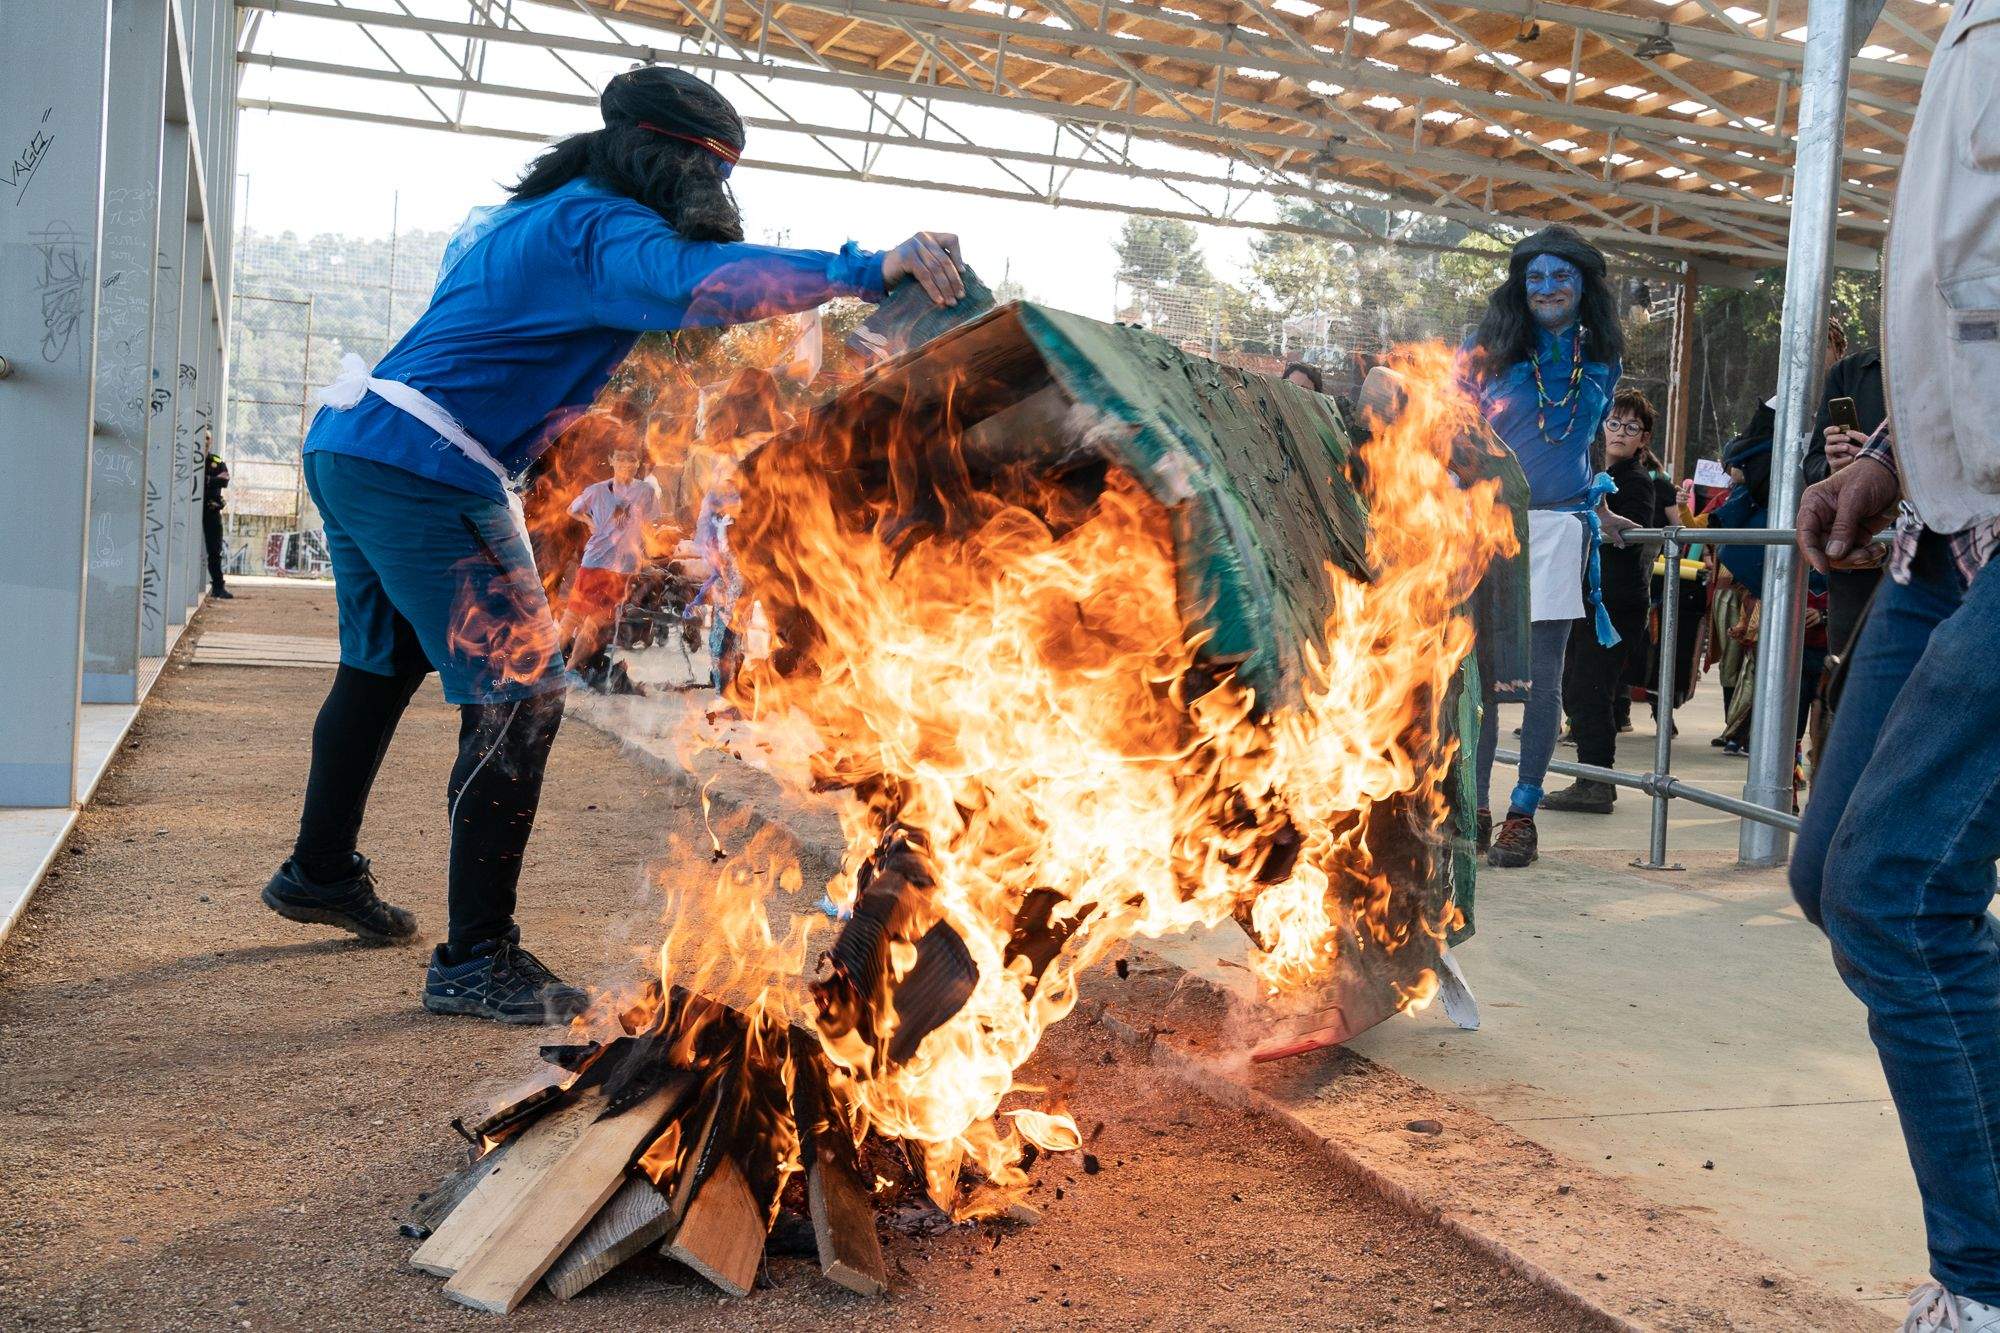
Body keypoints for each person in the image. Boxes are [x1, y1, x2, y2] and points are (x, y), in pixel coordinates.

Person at [258, 65, 966, 1025]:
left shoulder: (536, 217)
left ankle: (320, 870)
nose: (714, 195)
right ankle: (475, 959)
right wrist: (863, 268)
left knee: (377, 670)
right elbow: (702, 285)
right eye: (706, 173)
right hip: (426, 462)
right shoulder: (597, 226)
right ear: (657, 155)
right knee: (524, 696)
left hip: (357, 441)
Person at [1791, 7, 2000, 1328]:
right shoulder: (1964, 24)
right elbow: (1959, 281)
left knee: (1888, 888)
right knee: (1843, 877)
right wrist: (1885, 452)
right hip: (1943, 514)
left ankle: (1981, 1281)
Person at [1459, 225, 1628, 867]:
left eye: (1560, 276)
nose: (1547, 288)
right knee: (1477, 673)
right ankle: (1472, 805)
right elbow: (1448, 426)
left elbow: (1588, 444)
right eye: (1534, 277)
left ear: (1583, 284)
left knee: (1540, 680)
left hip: (1560, 529)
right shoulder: (1488, 347)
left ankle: (1522, 813)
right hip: (1485, 525)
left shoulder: (1603, 357)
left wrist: (1602, 508)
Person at [1544, 390, 1671, 812]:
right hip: (1590, 600)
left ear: (1643, 439)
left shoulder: (1635, 481)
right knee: (1577, 686)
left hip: (1612, 605)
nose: (1619, 433)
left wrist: (1594, 518)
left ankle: (1597, 782)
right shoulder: (1594, 476)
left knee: (1590, 688)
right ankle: (1594, 778)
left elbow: (1627, 535)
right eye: (1613, 424)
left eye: (1630, 427)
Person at [1805, 340, 1889, 668]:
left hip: (1934, 555)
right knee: (1850, 680)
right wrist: (1834, 465)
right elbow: (1812, 465)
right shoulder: (1849, 372)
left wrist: (1881, 463)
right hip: (1857, 563)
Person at [560, 446, 662, 683]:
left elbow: (649, 522)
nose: (626, 465)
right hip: (595, 561)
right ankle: (550, 668)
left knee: (597, 621)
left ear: (638, 464)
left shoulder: (646, 491)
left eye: (631, 460)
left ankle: (569, 670)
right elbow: (571, 510)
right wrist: (589, 522)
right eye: (621, 459)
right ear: (611, 460)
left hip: (624, 567)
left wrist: (645, 551)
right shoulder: (596, 491)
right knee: (572, 616)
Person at [201, 430, 232, 600]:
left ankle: (218, 587)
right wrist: (212, 480)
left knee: (214, 550)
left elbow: (225, 479)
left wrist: (205, 480)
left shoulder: (216, 461)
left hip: (211, 510)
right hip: (192, 511)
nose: (205, 441)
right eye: (203, 438)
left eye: (208, 438)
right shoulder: (189, 459)